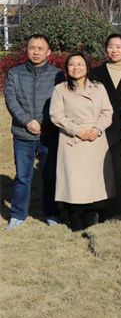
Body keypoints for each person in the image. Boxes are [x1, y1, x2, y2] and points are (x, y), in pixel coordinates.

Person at [50, 53, 114, 230]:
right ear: (66, 68)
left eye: (80, 64)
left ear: (87, 67)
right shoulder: (61, 89)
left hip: (95, 138)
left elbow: (107, 112)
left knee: (96, 181)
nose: (76, 67)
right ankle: (74, 217)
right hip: (73, 139)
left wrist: (97, 129)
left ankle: (94, 215)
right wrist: (77, 131)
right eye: (72, 64)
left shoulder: (98, 87)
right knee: (75, 182)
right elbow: (56, 115)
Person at [4, 34, 61, 229]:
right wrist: (28, 121)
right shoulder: (15, 73)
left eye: (40, 48)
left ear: (48, 52)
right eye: (32, 48)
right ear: (26, 50)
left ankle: (52, 213)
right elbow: (11, 100)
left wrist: (42, 123)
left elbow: (59, 103)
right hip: (23, 135)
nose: (35, 52)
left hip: (48, 135)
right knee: (22, 177)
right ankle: (18, 215)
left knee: (50, 176)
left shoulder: (57, 75)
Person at [89, 34, 121, 219]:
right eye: (111, 47)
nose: (114, 50)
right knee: (104, 167)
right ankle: (104, 207)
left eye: (119, 46)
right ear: (106, 50)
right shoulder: (96, 73)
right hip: (103, 126)